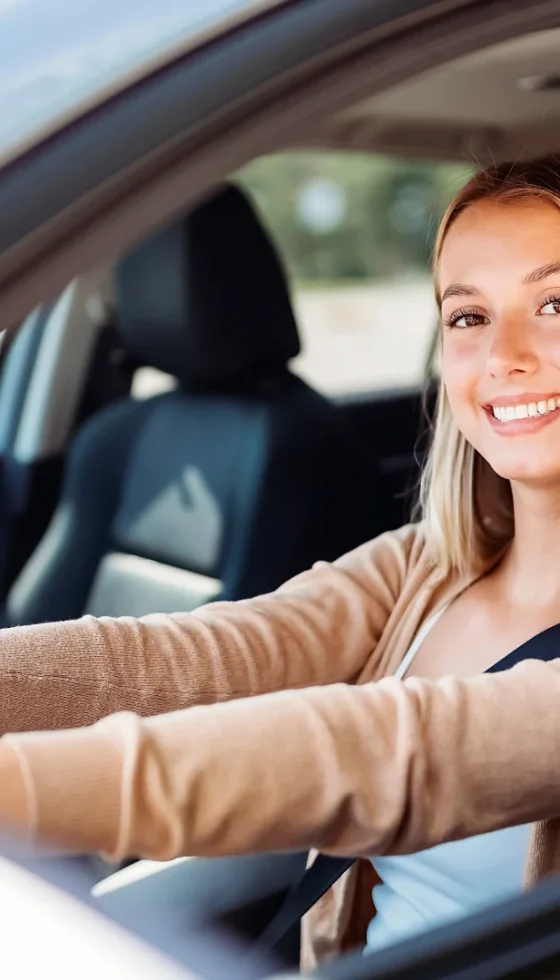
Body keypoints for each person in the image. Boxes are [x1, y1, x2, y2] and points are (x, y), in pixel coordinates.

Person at [4, 156, 560, 971]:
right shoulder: (425, 570)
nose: (503, 355)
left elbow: (380, 753)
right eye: (468, 317)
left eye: (555, 303)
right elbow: (186, 659)